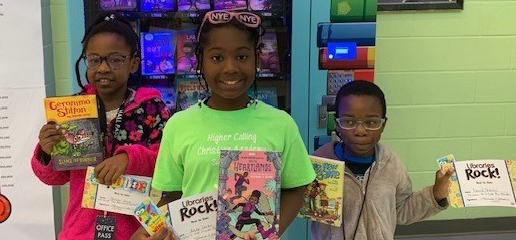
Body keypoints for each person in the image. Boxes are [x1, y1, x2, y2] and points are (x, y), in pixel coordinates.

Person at [132, 10, 316, 240]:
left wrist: (269, 233)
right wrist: (151, 231)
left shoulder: (281, 124)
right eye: (217, 58)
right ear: (200, 62)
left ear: (257, 60)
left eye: (242, 57)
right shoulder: (178, 125)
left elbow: (296, 187)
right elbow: (171, 195)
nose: (230, 68)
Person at [32, 12, 170, 240]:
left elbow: (169, 163)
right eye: (94, 60)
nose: (103, 68)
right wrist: (47, 152)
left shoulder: (151, 109)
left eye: (115, 59)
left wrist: (129, 158)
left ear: (133, 63)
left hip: (137, 231)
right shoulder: (71, 109)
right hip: (82, 231)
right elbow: (54, 178)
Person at [310, 81, 454, 240]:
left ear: (383, 125)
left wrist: (435, 194)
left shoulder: (391, 164)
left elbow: (401, 209)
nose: (360, 131)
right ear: (337, 124)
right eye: (349, 122)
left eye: (371, 122)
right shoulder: (319, 164)